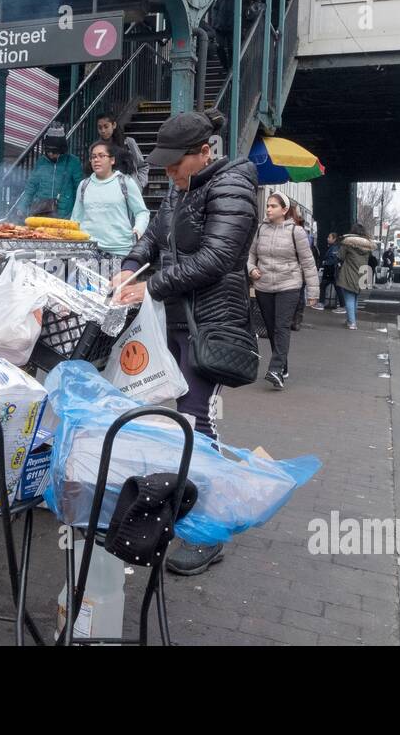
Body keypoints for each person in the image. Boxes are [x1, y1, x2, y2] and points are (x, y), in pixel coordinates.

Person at [112, 109, 257, 577]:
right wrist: (128, 267)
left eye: (177, 164)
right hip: (173, 321)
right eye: (167, 166)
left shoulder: (232, 185)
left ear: (204, 152)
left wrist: (150, 286)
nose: (170, 173)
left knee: (196, 420)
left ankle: (207, 532)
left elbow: (218, 257)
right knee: (178, 419)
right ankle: (182, 505)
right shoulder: (179, 190)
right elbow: (153, 238)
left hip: (210, 323)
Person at [249, 193, 318, 389]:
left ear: (284, 210)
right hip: (264, 286)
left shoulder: (296, 232)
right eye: (268, 206)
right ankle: (282, 366)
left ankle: (275, 369)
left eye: (273, 206)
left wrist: (313, 292)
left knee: (281, 327)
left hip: (289, 285)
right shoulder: (260, 229)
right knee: (271, 328)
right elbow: (250, 255)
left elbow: (308, 263)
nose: (268, 209)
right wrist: (251, 269)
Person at [71, 140, 150, 257]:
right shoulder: (84, 185)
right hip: (87, 251)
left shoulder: (125, 182)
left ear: (112, 160)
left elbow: (142, 212)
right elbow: (75, 218)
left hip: (120, 251)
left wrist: (138, 230)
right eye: (93, 157)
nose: (96, 160)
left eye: (101, 156)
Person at [17, 125, 82, 219]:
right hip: (41, 212)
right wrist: (22, 207)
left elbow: (79, 189)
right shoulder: (41, 162)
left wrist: (77, 213)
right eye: (48, 150)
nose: (50, 153)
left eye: (54, 151)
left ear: (62, 149)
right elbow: (31, 186)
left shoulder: (73, 162)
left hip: (65, 214)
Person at [335, 224, 376, 330]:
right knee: (355, 297)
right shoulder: (368, 246)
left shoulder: (348, 243)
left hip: (349, 272)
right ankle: (351, 319)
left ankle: (352, 322)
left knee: (349, 297)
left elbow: (340, 256)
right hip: (363, 273)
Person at [96, 112, 149, 188]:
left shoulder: (128, 142)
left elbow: (142, 166)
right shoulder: (97, 148)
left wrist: (139, 184)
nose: (103, 131)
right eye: (100, 128)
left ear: (114, 125)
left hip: (129, 190)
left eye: (106, 126)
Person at [210, 0, 237, 71]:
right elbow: (215, 8)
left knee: (231, 48)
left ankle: (231, 69)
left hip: (232, 25)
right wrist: (215, 22)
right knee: (219, 47)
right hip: (220, 26)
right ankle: (226, 68)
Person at [319, 232, 341, 309]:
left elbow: (333, 260)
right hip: (331, 272)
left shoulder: (334, 248)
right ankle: (342, 305)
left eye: (329, 237)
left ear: (334, 239)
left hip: (331, 271)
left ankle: (321, 303)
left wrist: (325, 262)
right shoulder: (333, 247)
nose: (327, 239)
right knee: (336, 288)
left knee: (324, 286)